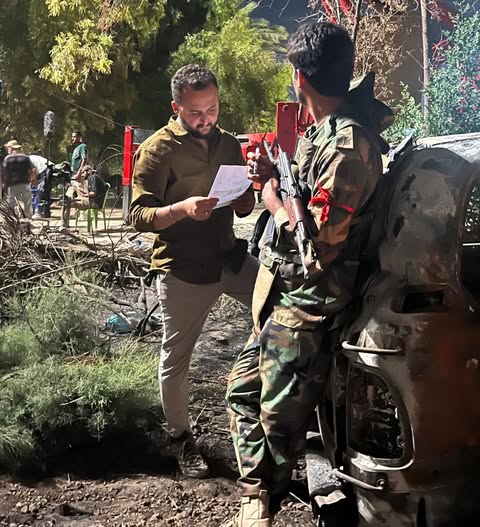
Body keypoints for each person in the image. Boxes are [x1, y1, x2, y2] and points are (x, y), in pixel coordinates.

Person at [225, 22, 392, 526]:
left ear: (299, 77)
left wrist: (272, 199)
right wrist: (270, 178)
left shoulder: (347, 146)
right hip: (285, 294)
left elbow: (318, 246)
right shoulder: (320, 132)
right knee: (241, 394)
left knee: (278, 425)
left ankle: (262, 505)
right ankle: (258, 495)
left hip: (312, 305)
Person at [129, 63, 259, 479]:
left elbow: (243, 203)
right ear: (176, 108)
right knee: (175, 361)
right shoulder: (157, 150)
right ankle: (181, 438)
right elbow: (138, 216)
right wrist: (181, 209)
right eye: (196, 112)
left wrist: (246, 199)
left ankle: (274, 409)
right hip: (182, 269)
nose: (206, 119)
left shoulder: (229, 144)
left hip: (229, 259)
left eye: (212, 109)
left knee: (285, 308)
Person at [2, 140, 34, 218]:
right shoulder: (25, 158)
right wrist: (31, 180)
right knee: (27, 201)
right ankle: (28, 216)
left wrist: (4, 185)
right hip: (25, 183)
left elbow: (4, 173)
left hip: (12, 184)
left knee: (12, 202)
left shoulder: (8, 158)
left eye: (8, 147)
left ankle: (13, 217)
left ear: (11, 148)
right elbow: (31, 170)